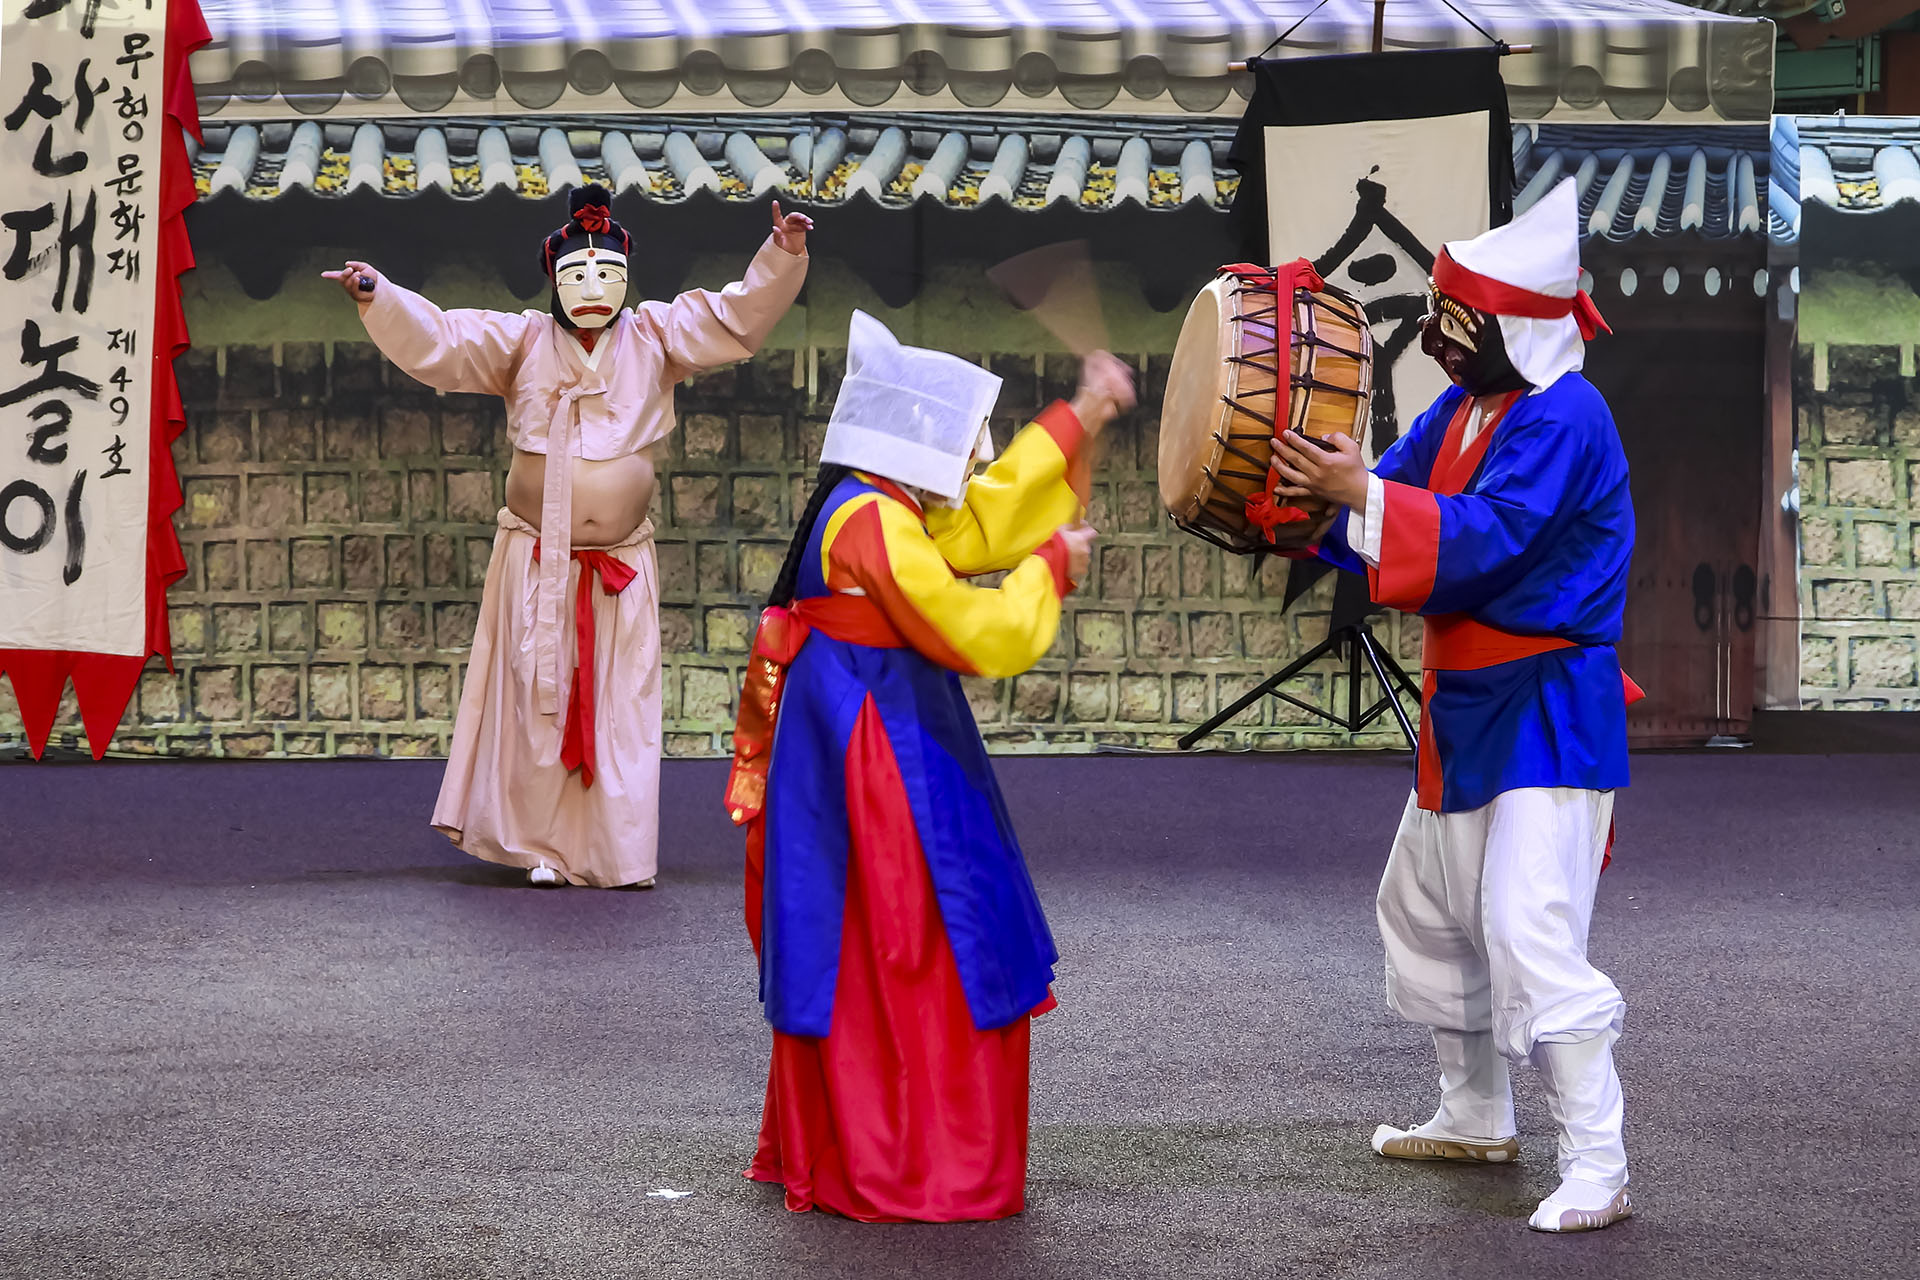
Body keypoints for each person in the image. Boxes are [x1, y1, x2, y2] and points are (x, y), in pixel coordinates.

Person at [1269, 178, 1642, 1233]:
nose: (1440, 330)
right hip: (1465, 699)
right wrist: (1297, 500)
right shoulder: (1464, 409)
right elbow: (1388, 498)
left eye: (1460, 315)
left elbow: (1491, 537)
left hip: (1546, 703)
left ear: (1517, 326)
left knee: (1528, 925)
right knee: (1429, 908)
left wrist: (1363, 498)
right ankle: (1477, 1114)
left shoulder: (1566, 413)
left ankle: (1601, 1162)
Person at [727, 312, 1135, 1221]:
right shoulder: (873, 518)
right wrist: (1049, 570)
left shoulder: (872, 500)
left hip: (862, 725)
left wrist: (1082, 413)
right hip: (877, 745)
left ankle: (868, 1135)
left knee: (875, 936)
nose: (970, 457)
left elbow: (978, 520)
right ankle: (912, 1155)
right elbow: (970, 627)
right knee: (914, 937)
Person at [323, 185, 811, 888]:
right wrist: (380, 295)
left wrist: (783, 253)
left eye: (608, 273)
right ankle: (541, 847)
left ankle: (616, 853)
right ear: (553, 279)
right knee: (534, 702)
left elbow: (733, 316)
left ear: (626, 280)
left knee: (620, 706)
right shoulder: (522, 341)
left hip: (619, 564)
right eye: (577, 274)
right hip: (536, 557)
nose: (593, 288)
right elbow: (445, 341)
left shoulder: (654, 337)